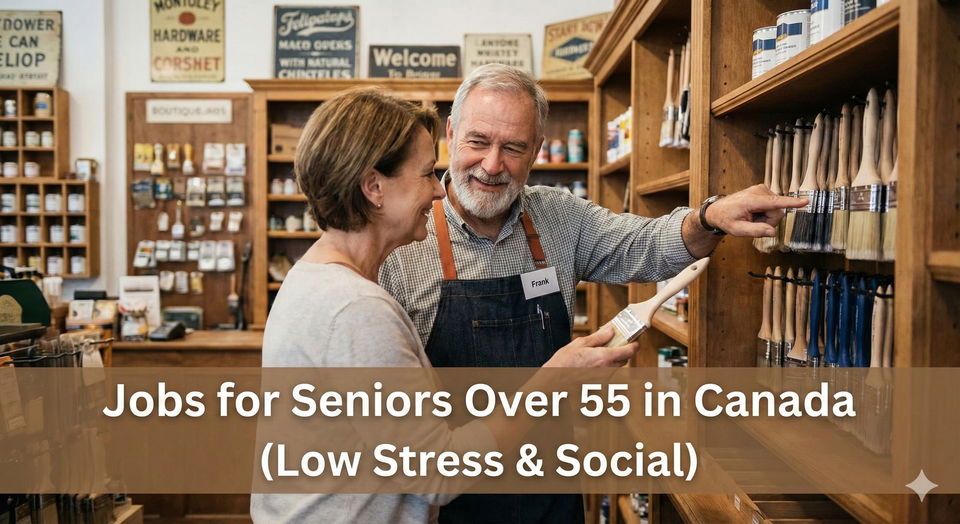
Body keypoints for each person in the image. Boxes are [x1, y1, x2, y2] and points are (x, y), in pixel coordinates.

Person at [378, 64, 808, 523]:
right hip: (450, 500)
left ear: (537, 151)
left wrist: (708, 217)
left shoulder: (558, 217)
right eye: (479, 142)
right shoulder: (404, 238)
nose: (492, 165)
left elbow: (648, 245)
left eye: (514, 148)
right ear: (451, 131)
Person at [251, 87, 640, 524]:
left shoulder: (311, 277)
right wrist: (552, 381)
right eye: (426, 174)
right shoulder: (357, 310)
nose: (440, 191)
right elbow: (437, 473)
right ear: (374, 187)